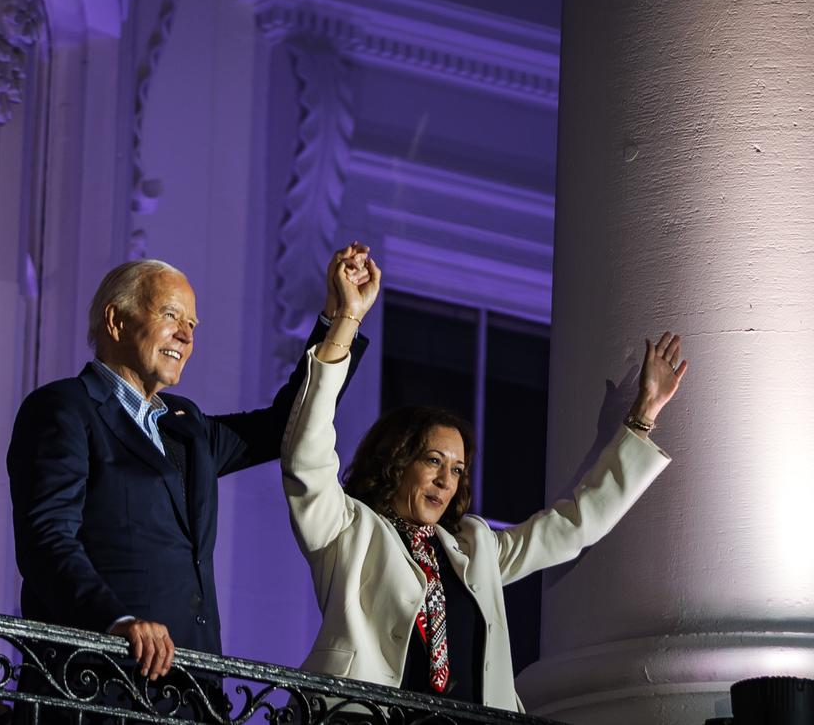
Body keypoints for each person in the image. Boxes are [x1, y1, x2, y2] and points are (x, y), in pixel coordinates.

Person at [281, 262, 687, 712]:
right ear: (395, 462)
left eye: (457, 470)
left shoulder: (473, 548)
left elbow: (572, 526)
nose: (446, 480)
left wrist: (642, 418)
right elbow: (307, 454)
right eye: (433, 460)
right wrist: (347, 320)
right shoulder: (347, 532)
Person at [7, 244, 373, 688]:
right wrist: (114, 621)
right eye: (170, 315)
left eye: (192, 324)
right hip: (99, 680)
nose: (186, 335)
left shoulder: (186, 427)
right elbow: (46, 540)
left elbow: (285, 425)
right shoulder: (65, 409)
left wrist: (341, 320)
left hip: (191, 689)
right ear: (116, 320)